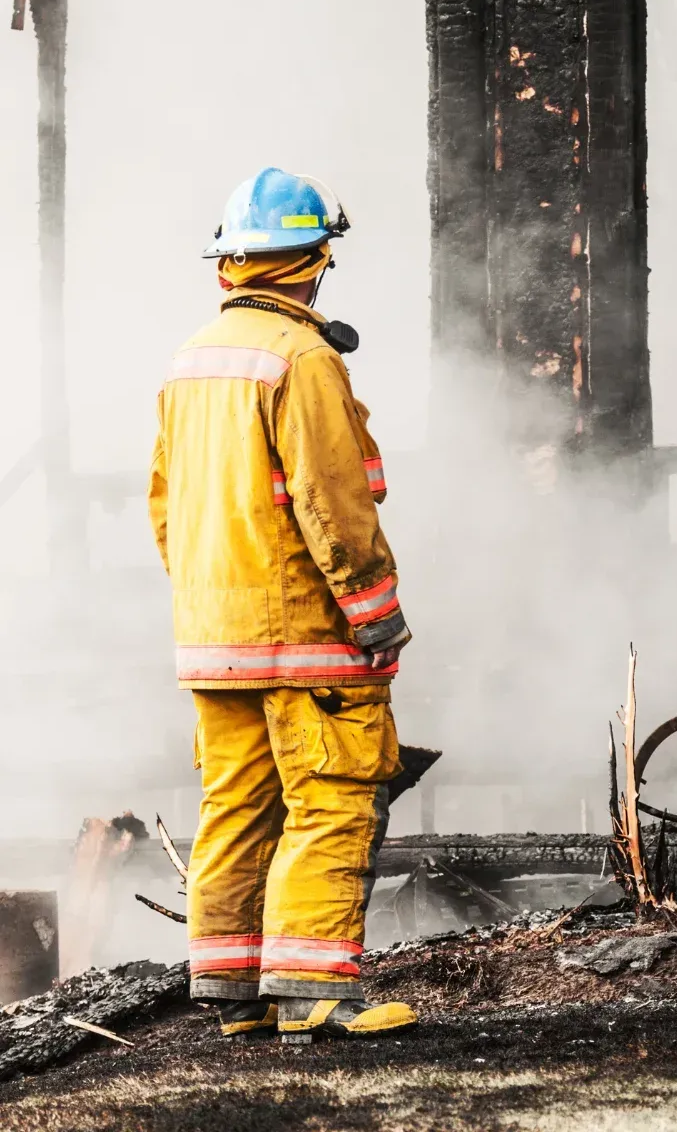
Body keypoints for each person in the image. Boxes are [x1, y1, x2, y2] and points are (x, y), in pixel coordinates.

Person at [148, 168, 417, 1039]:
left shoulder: (193, 362)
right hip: (304, 633)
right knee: (334, 796)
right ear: (315, 260)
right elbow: (332, 499)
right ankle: (313, 992)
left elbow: (165, 506)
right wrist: (373, 610)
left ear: (227, 265)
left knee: (236, 805)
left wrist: (207, 606)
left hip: (213, 637)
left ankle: (232, 998)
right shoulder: (303, 359)